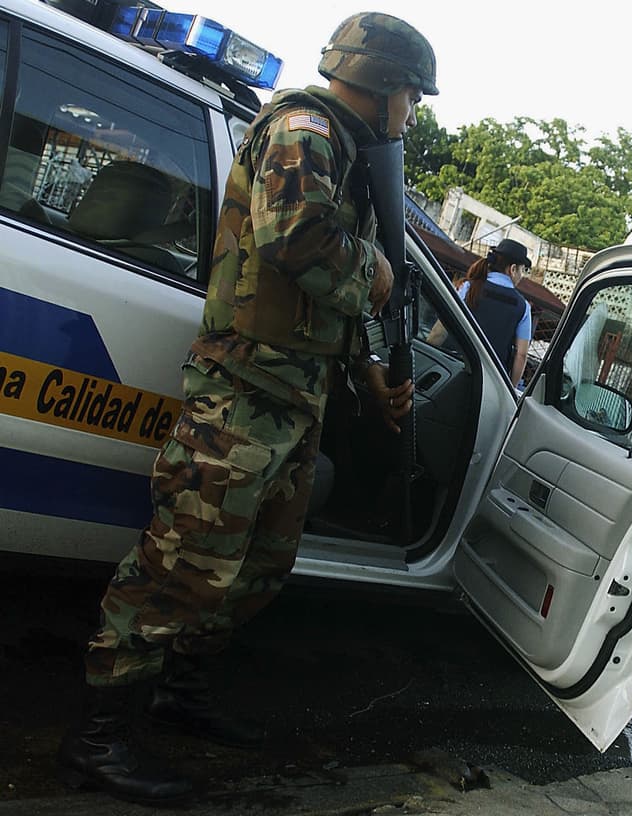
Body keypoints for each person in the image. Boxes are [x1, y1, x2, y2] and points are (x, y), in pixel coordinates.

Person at [56, 13, 438, 805]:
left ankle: (178, 695)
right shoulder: (305, 131)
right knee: (180, 566)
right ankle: (97, 740)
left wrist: (364, 370)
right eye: (414, 98)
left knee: (257, 567)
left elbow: (311, 291)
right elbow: (294, 240)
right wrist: (375, 269)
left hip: (292, 399)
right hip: (242, 395)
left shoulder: (341, 148)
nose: (413, 114)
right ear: (389, 87)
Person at [455, 238, 534, 386]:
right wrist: (510, 389)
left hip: (455, 368)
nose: (522, 276)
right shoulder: (523, 307)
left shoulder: (468, 287)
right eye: (522, 270)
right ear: (513, 269)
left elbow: (440, 330)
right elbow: (521, 355)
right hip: (491, 381)